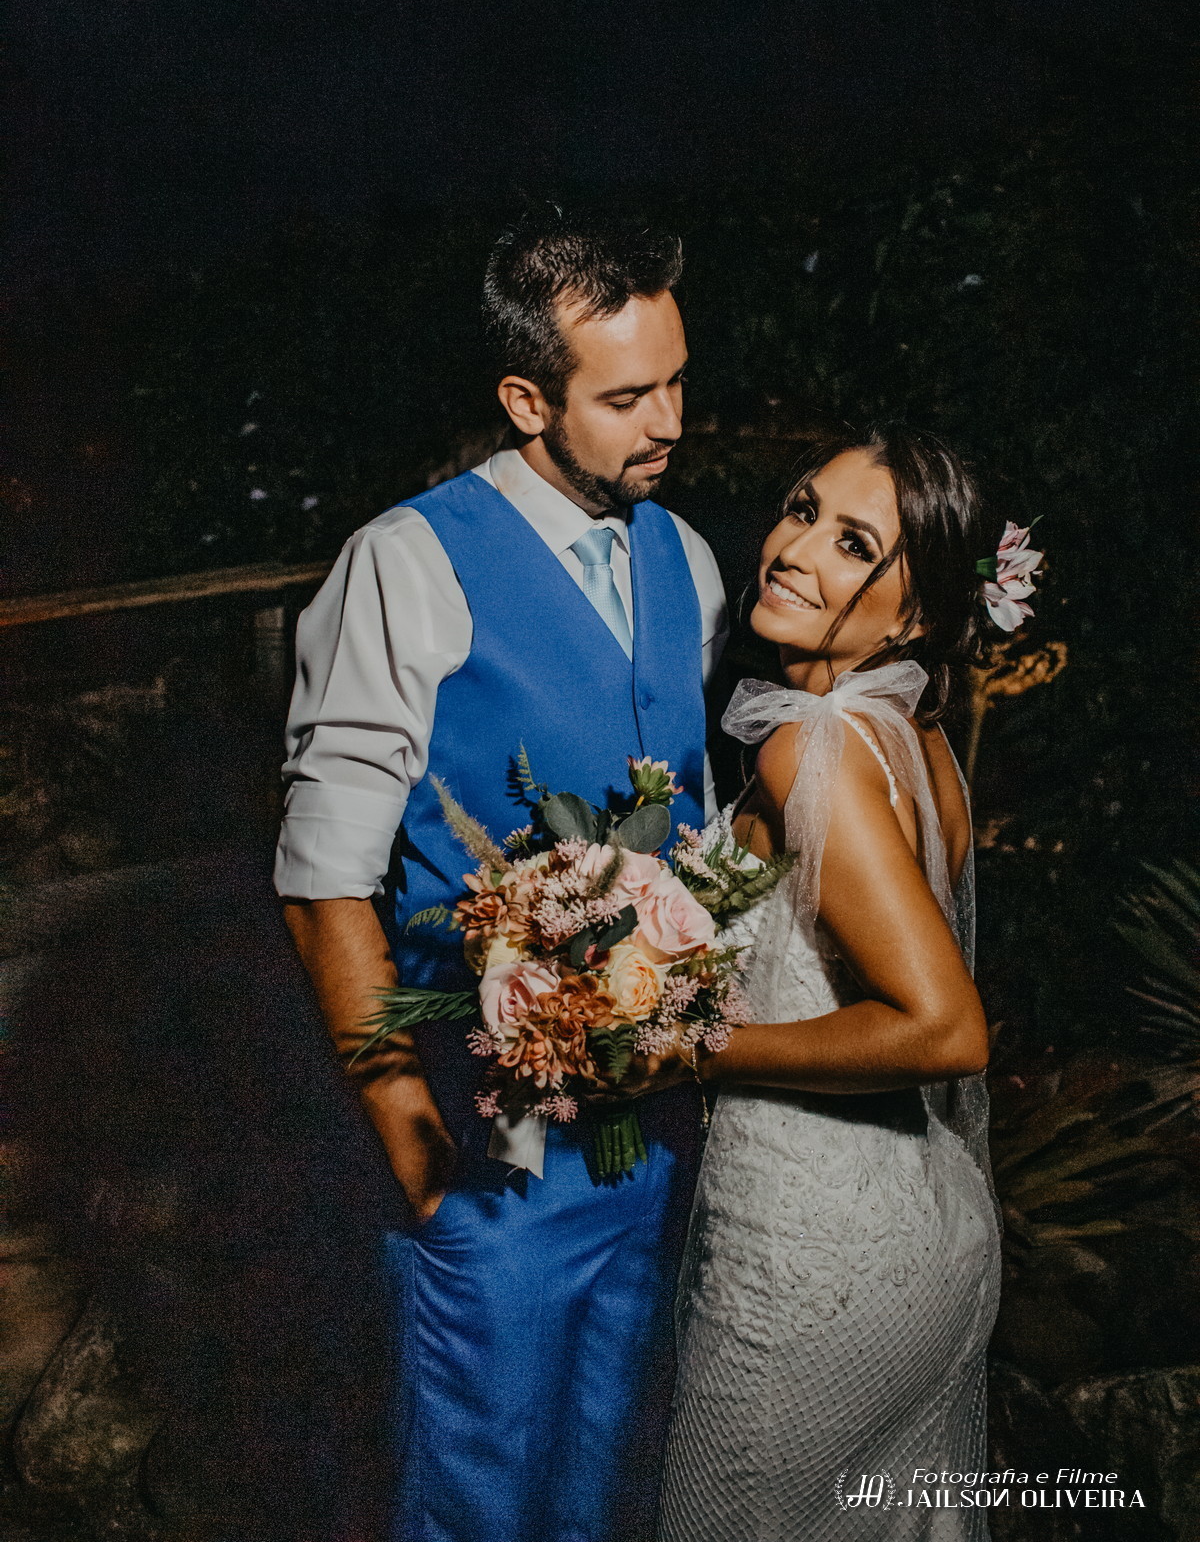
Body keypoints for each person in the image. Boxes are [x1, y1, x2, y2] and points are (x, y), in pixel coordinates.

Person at [274, 213, 728, 1542]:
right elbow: (322, 884)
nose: (668, 423)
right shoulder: (405, 564)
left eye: (677, 382)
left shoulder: (687, 557)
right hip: (494, 1169)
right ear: (528, 400)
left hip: (659, 1151)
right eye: (627, 398)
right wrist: (417, 1156)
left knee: (609, 1499)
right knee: (475, 1512)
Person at [658, 425, 1003, 1542]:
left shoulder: (810, 745)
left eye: (854, 544)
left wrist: (693, 1048)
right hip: (930, 1234)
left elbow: (946, 1030)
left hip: (809, 1265)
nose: (796, 550)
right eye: (803, 510)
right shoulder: (916, 737)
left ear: (915, 617)